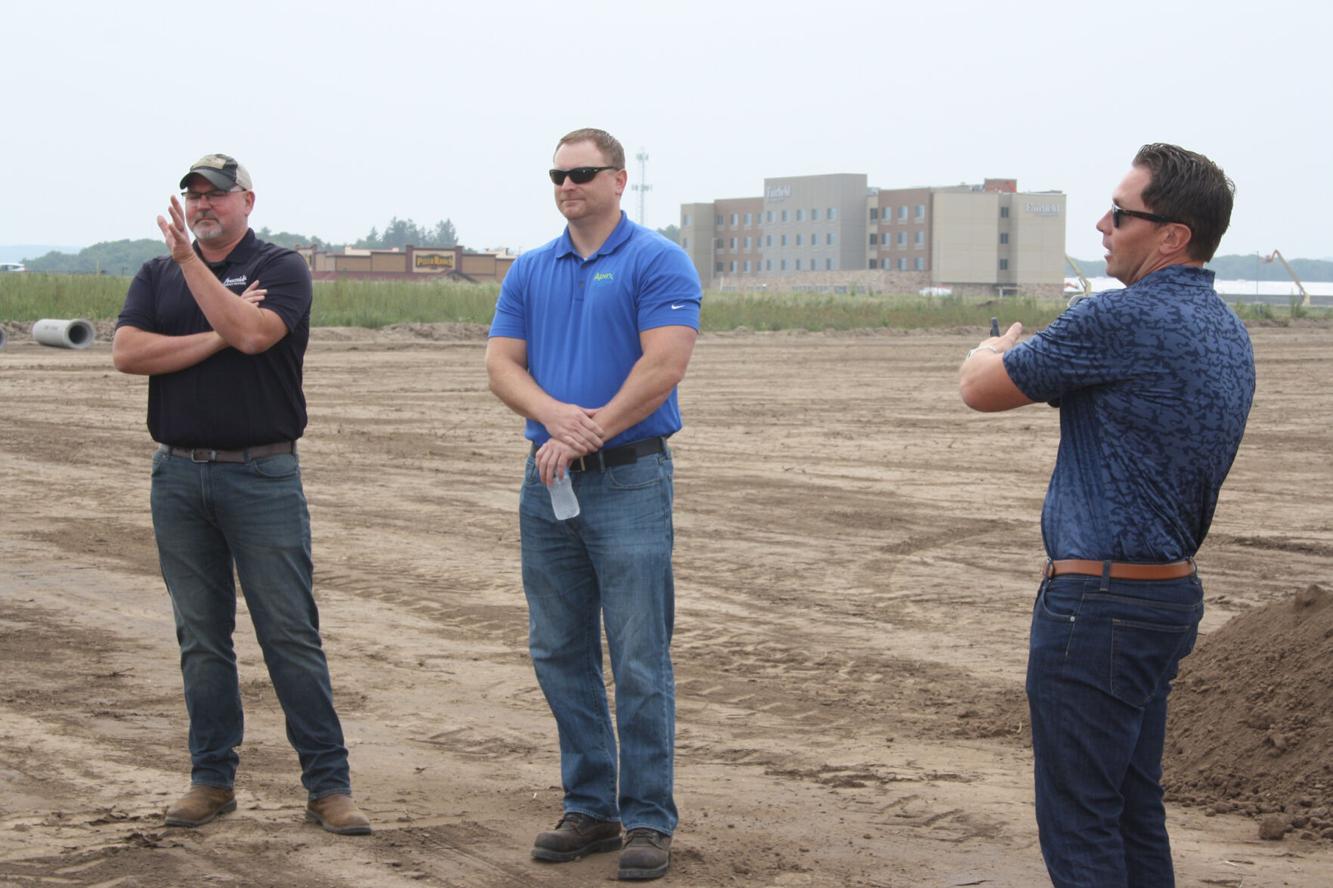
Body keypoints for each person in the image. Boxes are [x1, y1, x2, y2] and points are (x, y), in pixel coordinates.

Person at [959, 144, 1254, 886]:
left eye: (1120, 213)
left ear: (1171, 234)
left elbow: (981, 390)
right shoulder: (1227, 330)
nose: (1102, 223)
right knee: (1129, 806)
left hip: (1097, 603)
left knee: (1080, 818)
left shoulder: (1116, 320)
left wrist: (984, 350)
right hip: (1165, 594)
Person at [113, 154, 370, 836]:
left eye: (216, 196)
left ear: (247, 202)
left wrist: (207, 292)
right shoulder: (154, 273)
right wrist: (214, 334)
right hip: (177, 477)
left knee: (289, 634)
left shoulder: (279, 268)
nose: (202, 205)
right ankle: (211, 780)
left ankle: (328, 786)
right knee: (201, 637)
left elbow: (256, 334)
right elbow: (128, 352)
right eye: (193, 195)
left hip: (262, 476)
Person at [485, 128, 702, 881]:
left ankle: (648, 820)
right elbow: (501, 363)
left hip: (630, 478)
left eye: (581, 173)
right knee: (558, 648)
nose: (566, 184)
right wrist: (553, 417)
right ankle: (590, 808)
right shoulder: (530, 269)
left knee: (640, 655)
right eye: (556, 174)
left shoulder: (656, 260)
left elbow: (664, 362)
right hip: (547, 481)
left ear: (617, 180)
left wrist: (588, 431)